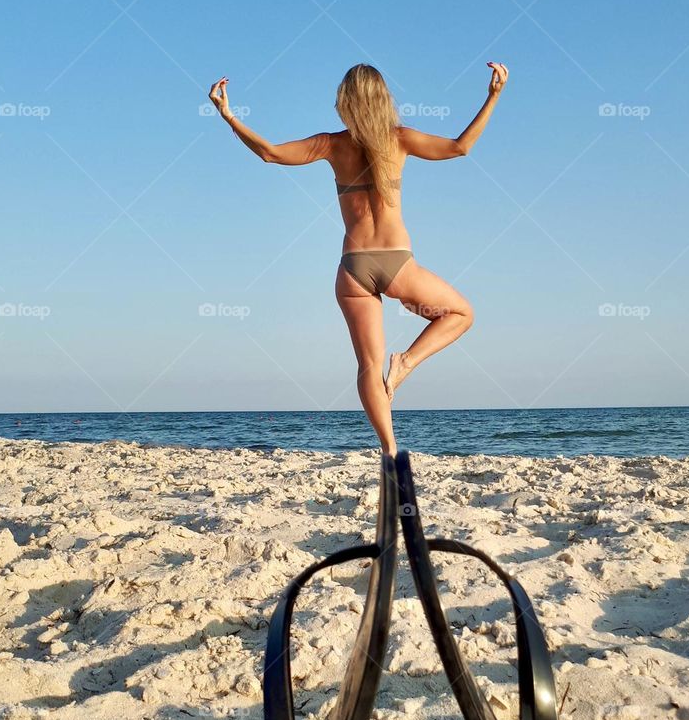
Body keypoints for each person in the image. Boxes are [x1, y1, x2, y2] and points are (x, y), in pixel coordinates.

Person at [208, 61, 508, 454]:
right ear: (384, 99)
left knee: (368, 365)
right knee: (460, 314)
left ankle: (388, 447)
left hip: (353, 270)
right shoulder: (399, 139)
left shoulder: (332, 144)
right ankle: (406, 362)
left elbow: (270, 154)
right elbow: (460, 147)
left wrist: (228, 114)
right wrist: (493, 96)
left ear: (345, 102)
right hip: (397, 264)